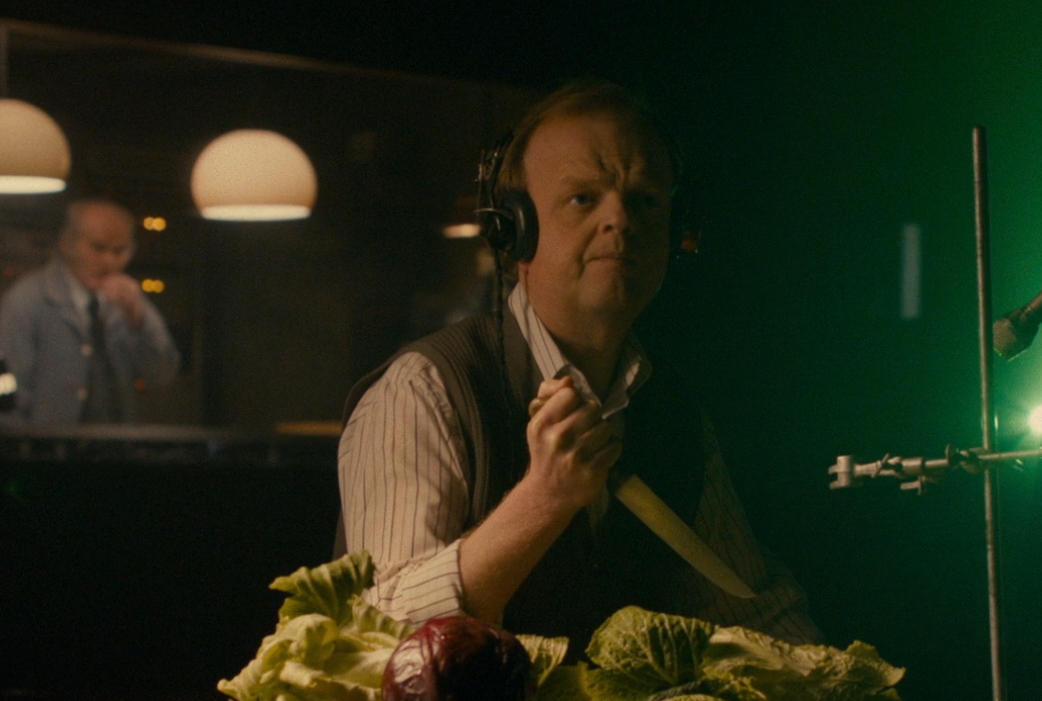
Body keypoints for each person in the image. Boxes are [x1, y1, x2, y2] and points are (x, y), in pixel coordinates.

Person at [338, 81, 819, 645]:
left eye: (645, 200)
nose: (621, 219)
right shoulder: (424, 390)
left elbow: (750, 611)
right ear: (514, 229)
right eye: (583, 199)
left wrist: (857, 696)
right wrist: (544, 497)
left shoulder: (673, 413)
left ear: (678, 230)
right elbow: (380, 635)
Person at [0, 198, 180, 426]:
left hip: (117, 443)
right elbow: (5, 396)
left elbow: (162, 375)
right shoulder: (27, 300)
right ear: (67, 244)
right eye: (98, 248)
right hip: (48, 443)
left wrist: (139, 321)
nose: (109, 260)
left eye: (119, 251)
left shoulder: (128, 299)